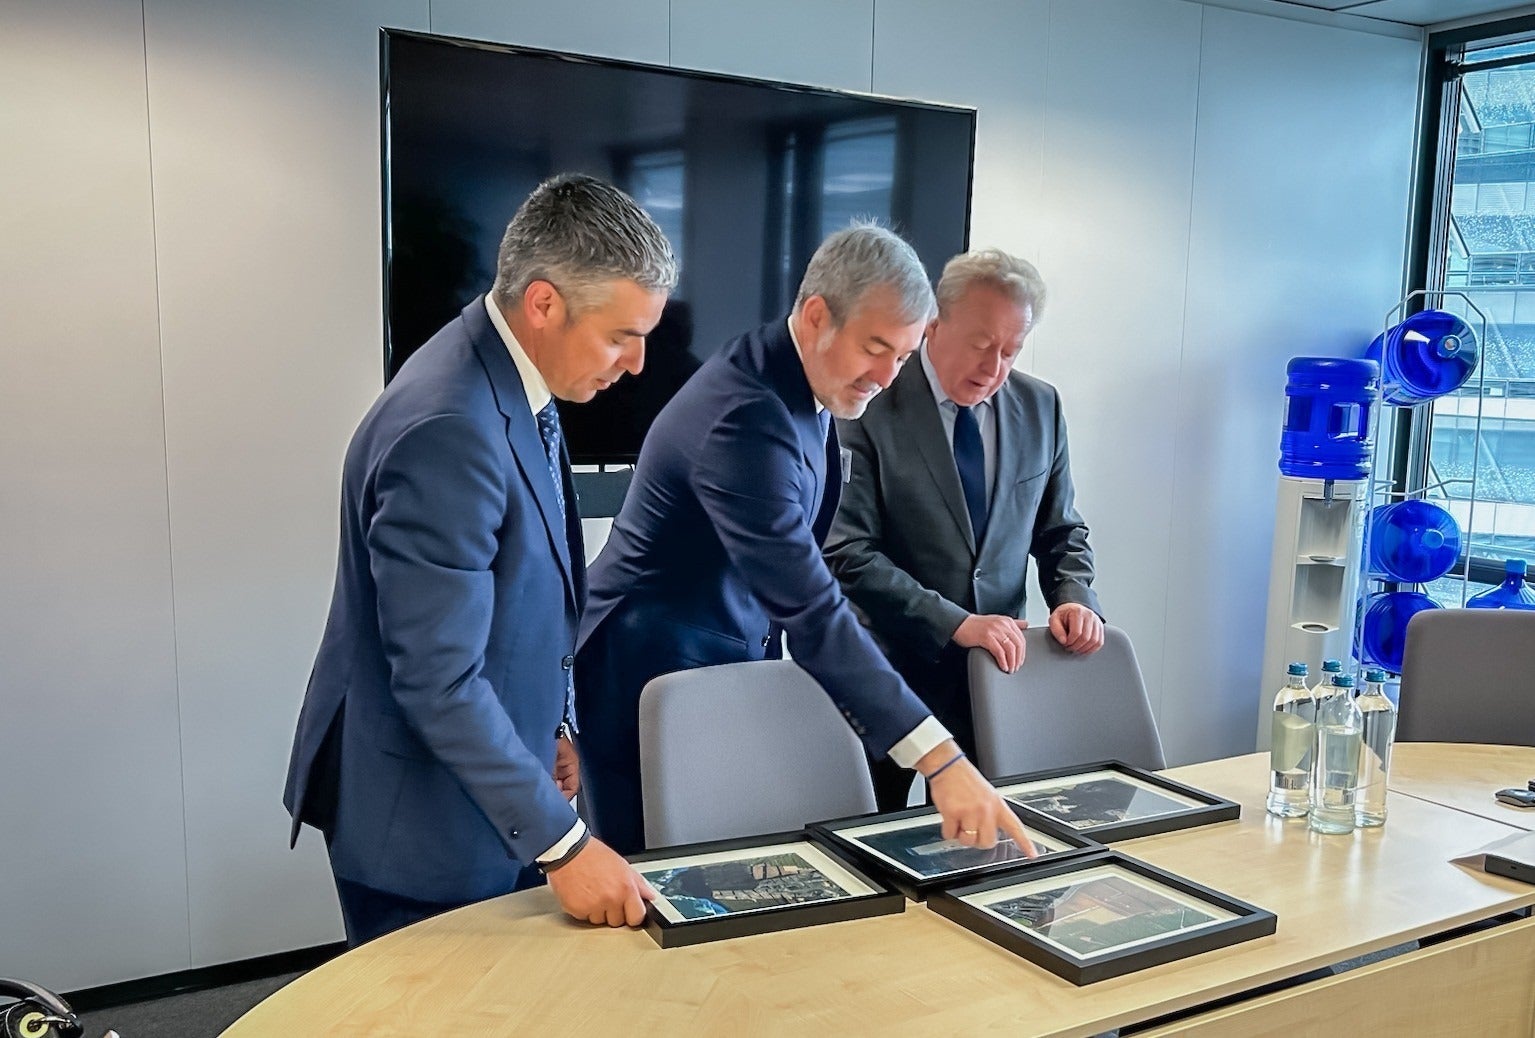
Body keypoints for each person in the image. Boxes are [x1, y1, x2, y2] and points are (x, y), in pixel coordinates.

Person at [283, 174, 677, 945]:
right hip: (421, 825)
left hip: (477, 790)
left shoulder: (509, 379)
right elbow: (437, 676)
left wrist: (549, 724)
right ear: (543, 304)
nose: (635, 365)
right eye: (619, 336)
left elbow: (520, 598)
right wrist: (565, 847)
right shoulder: (449, 424)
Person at [575, 223, 1033, 857]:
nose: (885, 375)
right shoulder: (747, 417)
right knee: (652, 885)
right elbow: (812, 604)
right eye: (875, 348)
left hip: (722, 653)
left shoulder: (799, 379)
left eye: (901, 356)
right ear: (817, 315)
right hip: (647, 667)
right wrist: (941, 760)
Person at [824, 249, 1103, 811]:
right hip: (887, 673)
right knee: (870, 853)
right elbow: (847, 552)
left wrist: (1074, 598)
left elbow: (1060, 530)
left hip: (996, 679)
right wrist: (956, 623)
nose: (994, 367)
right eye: (981, 344)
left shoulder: (1040, 405)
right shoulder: (867, 402)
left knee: (987, 849)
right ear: (933, 323)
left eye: (1010, 349)